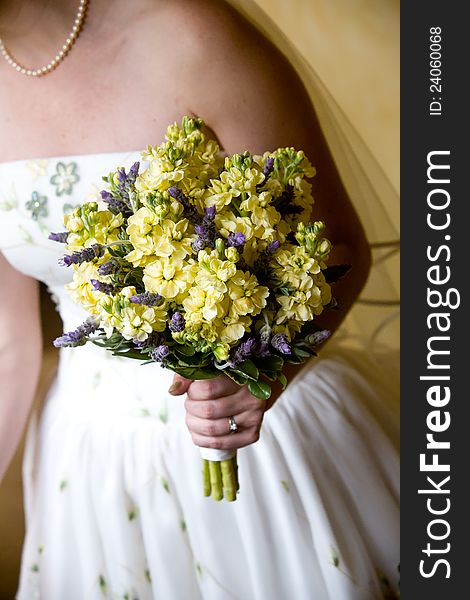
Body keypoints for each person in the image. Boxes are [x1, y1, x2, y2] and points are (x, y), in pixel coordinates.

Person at [0, 0, 399, 598]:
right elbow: (8, 342)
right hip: (92, 462)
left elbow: (338, 245)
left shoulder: (189, 33)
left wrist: (264, 373)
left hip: (258, 428)